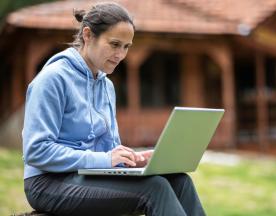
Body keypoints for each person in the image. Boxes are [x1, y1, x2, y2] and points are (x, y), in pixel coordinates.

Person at [22, 2, 206, 216]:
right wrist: (105, 159)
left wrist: (135, 160)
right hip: (47, 182)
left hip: (87, 177)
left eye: (127, 46)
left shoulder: (106, 86)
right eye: (114, 44)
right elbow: (37, 150)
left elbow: (109, 150)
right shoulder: (53, 79)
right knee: (155, 189)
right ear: (88, 35)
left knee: (179, 180)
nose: (120, 54)